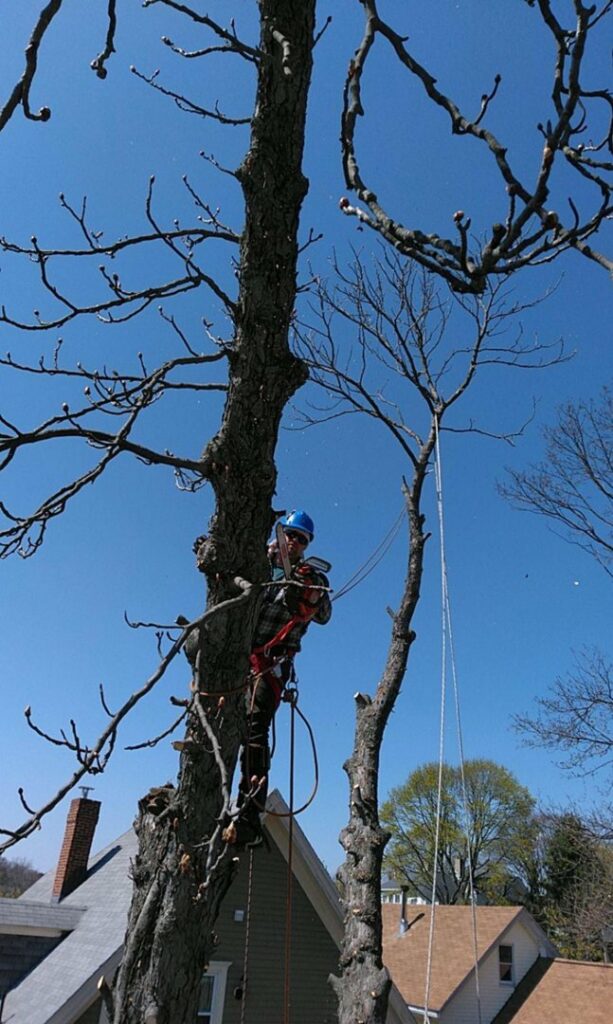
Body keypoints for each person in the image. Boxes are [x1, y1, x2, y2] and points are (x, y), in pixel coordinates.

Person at [225, 509, 332, 848]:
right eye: (292, 535)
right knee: (221, 726)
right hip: (234, 660)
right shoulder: (252, 563)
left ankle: (249, 812)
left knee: (255, 732)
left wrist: (312, 589)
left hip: (270, 665)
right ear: (280, 533)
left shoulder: (306, 577)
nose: (295, 542)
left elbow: (324, 615)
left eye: (302, 539)